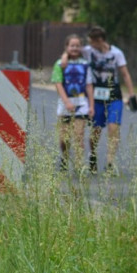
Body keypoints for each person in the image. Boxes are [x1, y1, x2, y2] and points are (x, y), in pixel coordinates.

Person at [62, 26, 136, 174]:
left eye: (92, 41)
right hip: (96, 96)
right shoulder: (88, 51)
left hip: (114, 94)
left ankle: (110, 163)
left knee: (113, 128)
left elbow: (125, 74)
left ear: (100, 40)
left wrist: (131, 95)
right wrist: (64, 56)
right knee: (96, 130)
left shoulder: (117, 53)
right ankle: (93, 155)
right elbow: (72, 50)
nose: (89, 44)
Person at [51, 34, 95, 172]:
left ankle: (79, 165)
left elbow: (89, 85)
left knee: (79, 135)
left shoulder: (86, 64)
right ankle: (64, 158)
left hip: (82, 104)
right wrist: (67, 102)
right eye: (72, 45)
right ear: (67, 47)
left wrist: (92, 106)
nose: (75, 48)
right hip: (65, 104)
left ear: (80, 47)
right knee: (64, 139)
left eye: (77, 45)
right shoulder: (60, 64)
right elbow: (58, 84)